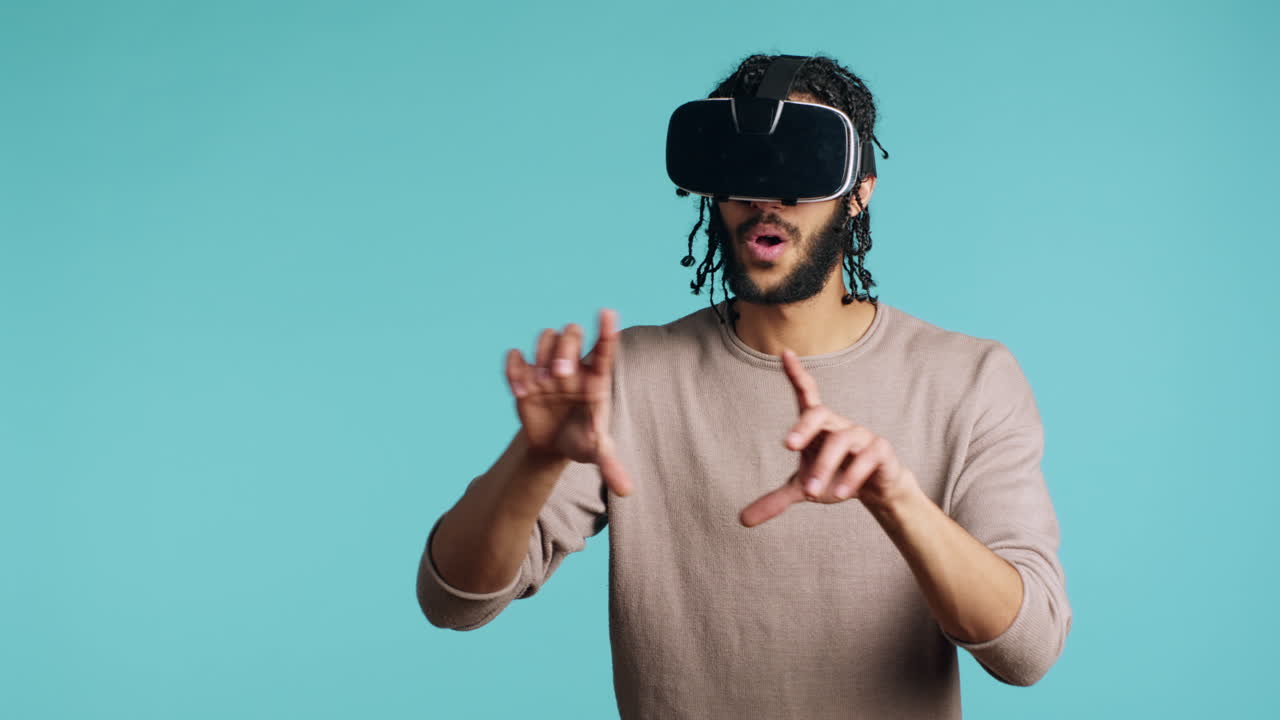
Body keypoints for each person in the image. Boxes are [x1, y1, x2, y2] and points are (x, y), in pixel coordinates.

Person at [416, 53, 1072, 719]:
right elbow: (452, 602)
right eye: (740, 169)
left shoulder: (970, 379)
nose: (764, 196)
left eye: (801, 166)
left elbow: (1029, 650)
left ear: (859, 189)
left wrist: (897, 500)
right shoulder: (626, 376)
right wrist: (532, 460)